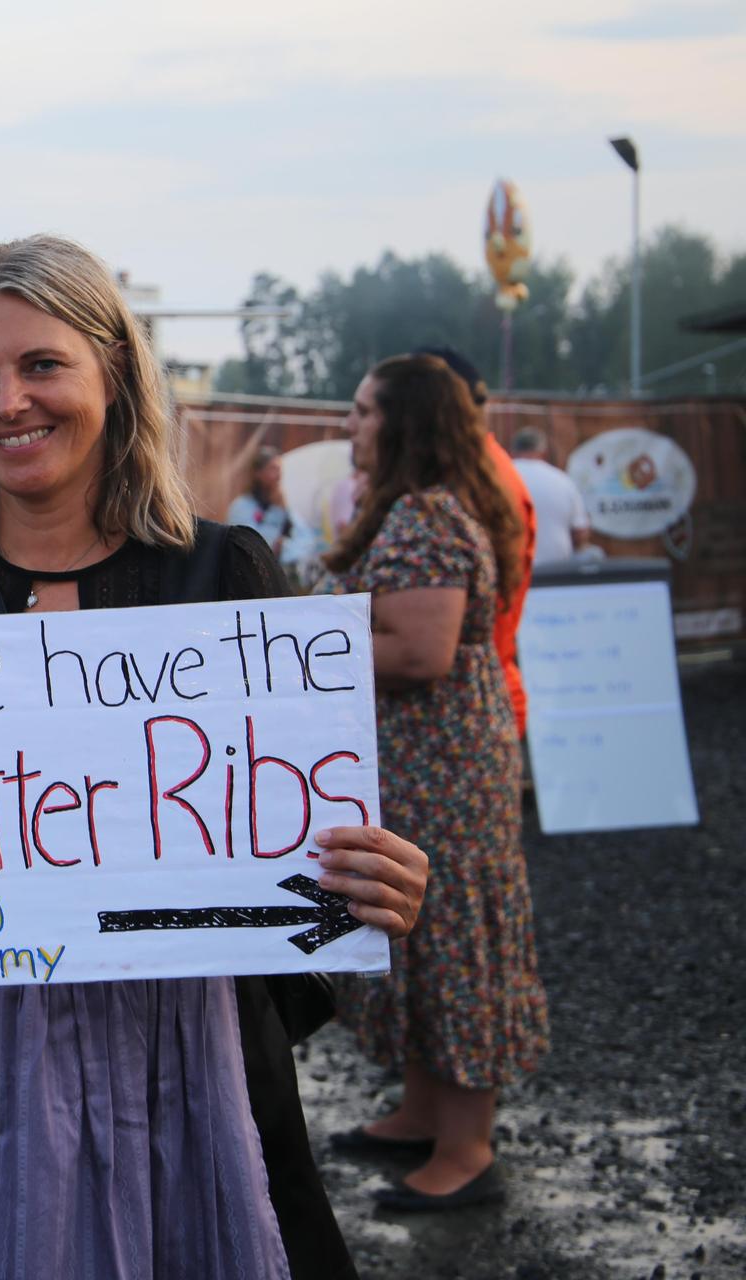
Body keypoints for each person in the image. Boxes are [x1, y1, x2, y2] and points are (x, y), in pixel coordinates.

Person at [0, 235, 431, 1280]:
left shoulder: (223, 576)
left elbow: (284, 882)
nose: (9, 402)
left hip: (181, 1075)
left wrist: (368, 888)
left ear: (117, 374)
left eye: (41, 364)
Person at [317, 354, 548, 1211]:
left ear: (405, 423)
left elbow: (421, 653)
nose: (351, 426)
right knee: (414, 933)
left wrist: (303, 643)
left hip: (444, 767)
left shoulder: (426, 515)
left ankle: (467, 1149)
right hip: (424, 762)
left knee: (452, 938)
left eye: (365, 412)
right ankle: (422, 1112)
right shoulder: (417, 510)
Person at [414, 346, 536, 738]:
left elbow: (426, 645)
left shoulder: (473, 482)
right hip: (484, 694)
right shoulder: (482, 469)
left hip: (471, 708)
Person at [510, 427, 592, 565]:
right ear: (543, 452)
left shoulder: (500, 477)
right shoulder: (562, 480)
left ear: (512, 451)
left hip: (513, 571)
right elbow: (579, 532)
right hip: (556, 572)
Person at [227, 445, 292, 555]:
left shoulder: (281, 506)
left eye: (280, 469)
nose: (279, 476)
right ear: (258, 473)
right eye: (273, 469)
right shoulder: (241, 507)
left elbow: (303, 538)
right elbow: (252, 544)